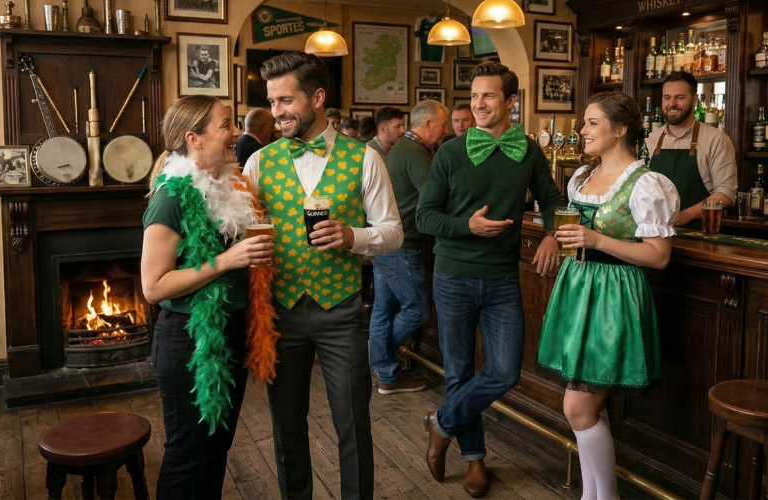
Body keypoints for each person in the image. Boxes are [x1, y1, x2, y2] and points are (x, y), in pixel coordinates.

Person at [242, 51, 403, 500]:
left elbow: (393, 232)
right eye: (272, 102)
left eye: (286, 100)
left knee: (353, 422)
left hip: (343, 311)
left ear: (317, 96)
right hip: (280, 312)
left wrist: (353, 236)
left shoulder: (366, 160)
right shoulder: (258, 163)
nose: (277, 112)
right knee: (286, 424)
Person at [417, 61, 564, 498]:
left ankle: (440, 422)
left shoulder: (530, 151)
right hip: (454, 275)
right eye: (474, 96)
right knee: (459, 372)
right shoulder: (449, 152)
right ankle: (474, 461)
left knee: (504, 371)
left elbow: (553, 199)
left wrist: (553, 235)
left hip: (502, 277)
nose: (478, 104)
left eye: (489, 96)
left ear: (510, 102)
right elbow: (425, 216)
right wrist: (468, 226)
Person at [537, 92, 678, 500]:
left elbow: (658, 257)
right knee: (583, 409)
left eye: (592, 123)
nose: (582, 130)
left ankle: (605, 497)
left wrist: (597, 239)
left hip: (614, 298)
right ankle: (593, 496)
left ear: (621, 130)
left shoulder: (646, 183)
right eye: (585, 123)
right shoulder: (580, 177)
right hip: (578, 290)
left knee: (578, 408)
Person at [141, 95, 276, 500]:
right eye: (226, 125)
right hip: (188, 340)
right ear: (194, 138)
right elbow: (153, 287)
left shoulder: (231, 187)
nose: (236, 132)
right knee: (188, 455)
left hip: (228, 331)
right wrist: (225, 261)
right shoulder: (172, 196)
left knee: (216, 449)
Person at [370, 99, 449, 395]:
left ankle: (386, 374)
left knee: (382, 310)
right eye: (443, 125)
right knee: (416, 310)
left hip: (386, 240)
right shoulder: (415, 153)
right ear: (427, 124)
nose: (446, 131)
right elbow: (437, 198)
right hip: (404, 244)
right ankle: (378, 359)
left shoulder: (400, 148)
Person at [645, 71, 736, 226]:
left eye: (680, 97)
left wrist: (688, 214)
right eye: (667, 97)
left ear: (694, 99)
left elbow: (726, 194)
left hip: (701, 231)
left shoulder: (716, 139)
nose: (672, 104)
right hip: (657, 232)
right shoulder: (651, 140)